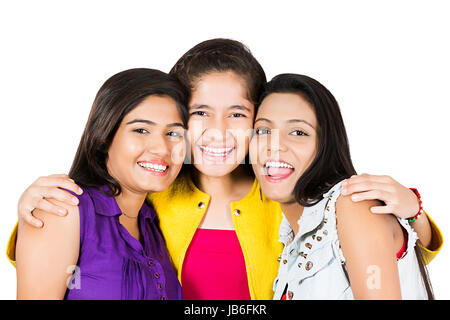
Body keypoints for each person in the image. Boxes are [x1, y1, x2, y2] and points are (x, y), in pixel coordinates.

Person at [7, 39, 443, 300]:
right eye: (199, 113)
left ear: (259, 118)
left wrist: (416, 210)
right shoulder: (151, 189)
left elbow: (388, 251)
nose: (218, 133)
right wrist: (35, 203)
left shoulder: (283, 191)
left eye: (237, 115)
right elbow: (71, 256)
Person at [250, 73, 436, 299]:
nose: (274, 146)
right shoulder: (291, 235)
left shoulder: (352, 204)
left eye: (298, 132)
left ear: (325, 145)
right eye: (262, 131)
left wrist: (416, 212)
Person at [15, 68, 188, 299]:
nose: (161, 148)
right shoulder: (62, 209)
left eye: (174, 133)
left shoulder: (153, 222)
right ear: (104, 138)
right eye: (141, 130)